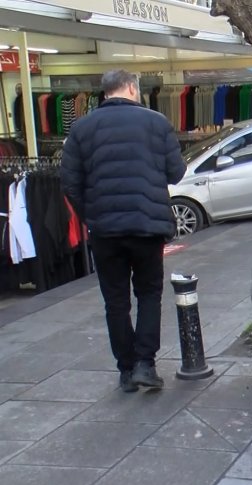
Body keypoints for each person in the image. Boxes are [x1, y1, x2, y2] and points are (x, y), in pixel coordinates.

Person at [61, 70, 185, 393]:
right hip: (148, 226)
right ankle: (146, 363)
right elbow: (177, 172)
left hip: (105, 231)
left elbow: (70, 183)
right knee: (148, 293)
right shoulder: (157, 122)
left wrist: (93, 214)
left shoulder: (81, 129)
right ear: (132, 88)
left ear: (104, 93)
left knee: (115, 301)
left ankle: (126, 370)